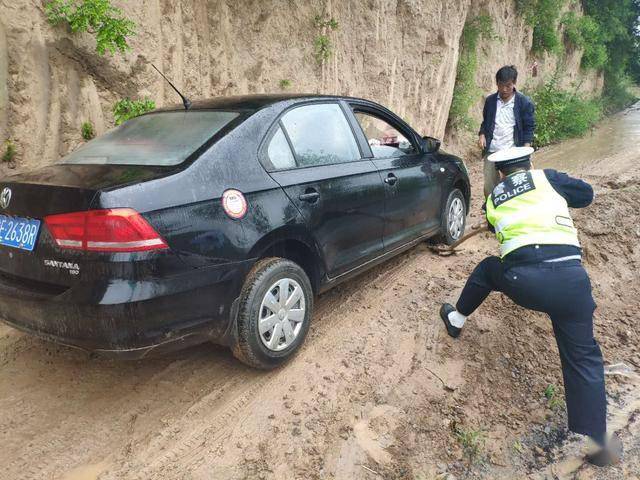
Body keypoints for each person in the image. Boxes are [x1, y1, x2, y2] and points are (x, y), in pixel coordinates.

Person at [439, 146, 622, 467]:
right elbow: (587, 195)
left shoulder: (493, 200)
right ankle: (599, 445)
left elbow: (499, 227)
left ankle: (456, 318)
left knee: (487, 268)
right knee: (584, 358)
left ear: (500, 174)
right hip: (571, 283)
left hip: (524, 283)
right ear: (531, 164)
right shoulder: (548, 178)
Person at [478, 65, 536, 199]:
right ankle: (492, 216)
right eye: (501, 85)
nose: (504, 89)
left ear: (514, 83)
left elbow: (529, 127)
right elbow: (485, 123)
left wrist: (525, 152)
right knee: (489, 188)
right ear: (496, 83)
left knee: (519, 185)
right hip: (492, 151)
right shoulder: (490, 101)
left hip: (513, 151)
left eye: (508, 86)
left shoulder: (524, 102)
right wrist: (482, 134)